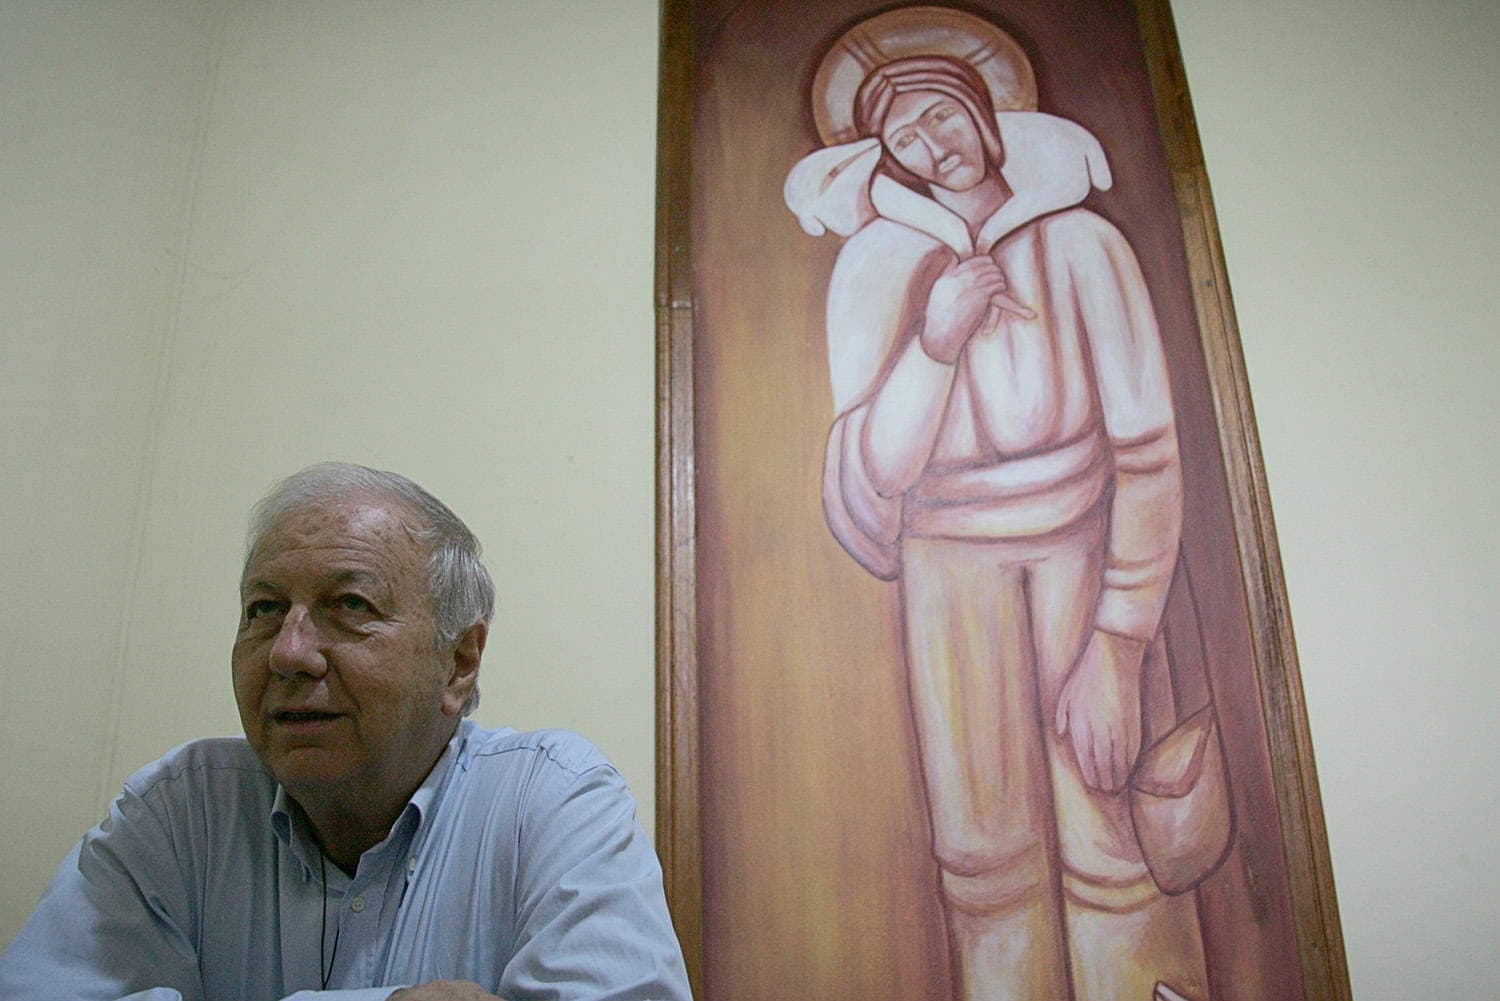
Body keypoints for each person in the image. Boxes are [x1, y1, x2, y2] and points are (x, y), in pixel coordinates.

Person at [788, 50, 1211, 1001]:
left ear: (982, 111)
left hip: (1085, 559)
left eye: (941, 116)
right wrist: (936, 340)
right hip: (948, 579)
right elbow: (877, 469)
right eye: (903, 137)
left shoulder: (1085, 245)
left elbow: (1148, 454)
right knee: (982, 854)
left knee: (1113, 832)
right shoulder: (874, 264)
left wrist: (1119, 643)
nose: (933, 147)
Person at [0, 463, 691, 1001]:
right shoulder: (181, 811)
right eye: (264, 609)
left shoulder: (554, 798)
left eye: (350, 604)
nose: (288, 652)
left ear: (459, 660)